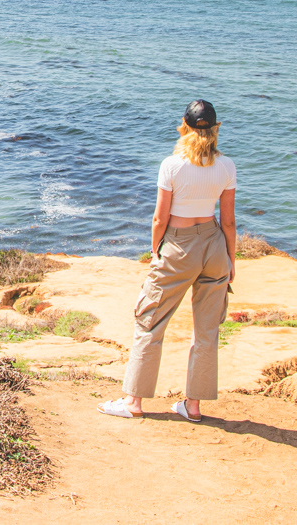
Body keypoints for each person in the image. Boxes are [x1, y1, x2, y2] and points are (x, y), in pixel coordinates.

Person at [98, 99, 236, 422]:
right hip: (214, 245)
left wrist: (155, 249)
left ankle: (133, 401)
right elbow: (228, 221)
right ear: (215, 130)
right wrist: (231, 259)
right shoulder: (227, 167)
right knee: (207, 331)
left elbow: (160, 218)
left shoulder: (171, 166)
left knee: (150, 320)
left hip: (178, 245)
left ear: (184, 127)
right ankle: (193, 406)